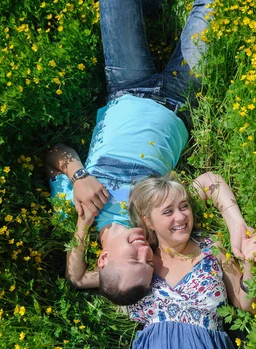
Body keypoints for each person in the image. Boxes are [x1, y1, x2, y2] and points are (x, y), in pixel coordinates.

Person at [45, 0, 226, 305]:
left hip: (126, 87)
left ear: (101, 259)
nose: (144, 252)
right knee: (212, 8)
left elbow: (54, 153)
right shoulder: (156, 229)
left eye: (134, 260)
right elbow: (82, 279)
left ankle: (154, 9)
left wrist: (78, 176)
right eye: (148, 263)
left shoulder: (73, 208)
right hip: (179, 100)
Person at [118, 172, 256, 349]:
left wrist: (246, 257)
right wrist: (81, 226)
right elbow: (80, 278)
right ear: (148, 221)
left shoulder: (211, 249)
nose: (180, 217)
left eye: (184, 206)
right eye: (168, 211)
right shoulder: (140, 259)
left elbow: (246, 304)